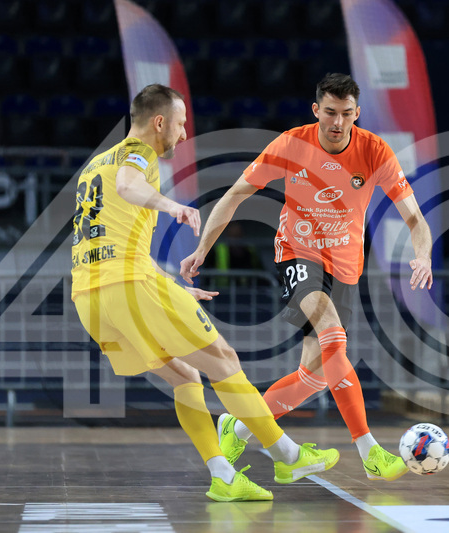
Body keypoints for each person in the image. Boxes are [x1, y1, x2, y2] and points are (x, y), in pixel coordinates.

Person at [71, 84, 339, 502]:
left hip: (90, 298)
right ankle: (288, 456)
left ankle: (223, 477)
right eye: (180, 124)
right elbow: (127, 185)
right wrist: (171, 206)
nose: (183, 134)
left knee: (185, 375)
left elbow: (113, 242)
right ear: (159, 122)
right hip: (128, 285)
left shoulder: (95, 164)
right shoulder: (137, 154)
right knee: (224, 360)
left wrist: (169, 289)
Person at [180, 74, 433, 482]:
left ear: (357, 113)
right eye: (330, 112)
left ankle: (237, 427)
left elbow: (415, 218)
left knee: (314, 376)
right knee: (333, 334)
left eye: (346, 114)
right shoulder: (291, 144)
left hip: (345, 267)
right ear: (316, 110)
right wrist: (202, 249)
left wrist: (423, 256)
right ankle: (369, 451)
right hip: (297, 254)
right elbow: (235, 195)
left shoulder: (374, 151)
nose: (338, 122)